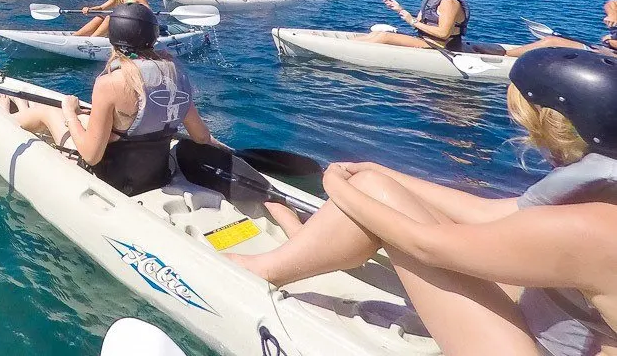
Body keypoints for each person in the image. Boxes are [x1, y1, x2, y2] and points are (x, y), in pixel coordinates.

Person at [231, 48, 617, 356]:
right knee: (376, 186)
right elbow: (488, 213)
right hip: (564, 324)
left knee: (375, 195)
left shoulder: (586, 228)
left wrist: (337, 186)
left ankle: (262, 269)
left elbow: (423, 245)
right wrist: (382, 171)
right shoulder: (602, 198)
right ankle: (310, 243)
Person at [0, 3, 221, 195]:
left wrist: (69, 112)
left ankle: (3, 118)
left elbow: (92, 156)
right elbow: (201, 137)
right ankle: (22, 107)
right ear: (153, 38)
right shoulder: (177, 75)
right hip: (157, 174)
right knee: (86, 119)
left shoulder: (110, 83)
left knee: (49, 113)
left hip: (112, 177)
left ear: (113, 39)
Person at [496, 0, 617, 58]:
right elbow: (611, 3)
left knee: (552, 42)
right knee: (553, 38)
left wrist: (609, 41)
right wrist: (613, 14)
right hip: (605, 50)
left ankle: (507, 55)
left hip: (611, 58)